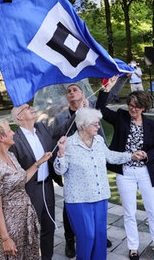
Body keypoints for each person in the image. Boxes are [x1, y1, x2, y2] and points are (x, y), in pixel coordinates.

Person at [53, 107, 143, 260]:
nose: (98, 127)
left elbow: (110, 156)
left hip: (100, 196)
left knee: (100, 236)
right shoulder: (68, 144)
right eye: (95, 124)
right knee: (87, 236)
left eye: (98, 123)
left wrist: (131, 156)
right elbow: (59, 170)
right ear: (83, 126)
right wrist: (60, 154)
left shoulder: (99, 140)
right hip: (78, 200)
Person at [96, 84, 154, 260]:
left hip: (146, 172)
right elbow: (100, 109)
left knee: (152, 210)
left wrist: (146, 155)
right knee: (129, 212)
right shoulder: (121, 117)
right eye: (130, 104)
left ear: (143, 108)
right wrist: (106, 89)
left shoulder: (151, 124)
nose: (132, 108)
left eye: (136, 106)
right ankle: (133, 247)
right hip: (125, 172)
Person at [0, 119, 56, 260]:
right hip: (11, 224)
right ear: (0, 137)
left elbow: (22, 178)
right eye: (9, 131)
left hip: (26, 218)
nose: (13, 133)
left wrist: (39, 162)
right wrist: (5, 238)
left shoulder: (10, 155)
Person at [52, 83, 111, 258]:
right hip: (72, 167)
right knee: (72, 210)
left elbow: (98, 131)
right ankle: (71, 240)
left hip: (91, 167)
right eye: (68, 91)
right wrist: (78, 115)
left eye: (74, 90)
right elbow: (59, 134)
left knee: (95, 219)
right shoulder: (61, 117)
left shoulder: (91, 111)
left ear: (82, 93)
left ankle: (95, 238)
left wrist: (106, 87)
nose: (71, 92)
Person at [10, 104, 66, 260]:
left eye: (30, 106)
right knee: (31, 231)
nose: (32, 108)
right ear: (19, 117)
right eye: (27, 108)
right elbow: (14, 175)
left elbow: (63, 129)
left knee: (49, 227)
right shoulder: (14, 140)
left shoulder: (42, 128)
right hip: (30, 190)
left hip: (47, 186)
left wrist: (79, 111)